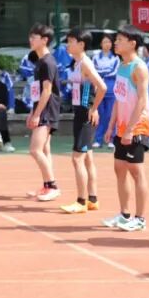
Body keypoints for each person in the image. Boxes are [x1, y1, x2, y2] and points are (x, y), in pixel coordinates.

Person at [102, 26, 149, 232]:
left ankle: (140, 218)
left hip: (137, 127)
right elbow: (118, 99)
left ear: (132, 43)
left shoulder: (139, 68)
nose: (116, 43)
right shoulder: (122, 66)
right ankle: (124, 214)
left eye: (120, 40)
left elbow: (142, 100)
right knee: (119, 169)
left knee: (136, 172)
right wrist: (110, 126)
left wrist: (131, 129)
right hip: (121, 128)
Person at [60, 28, 107, 214]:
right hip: (81, 112)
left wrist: (93, 109)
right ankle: (92, 199)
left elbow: (102, 87)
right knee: (87, 158)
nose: (67, 45)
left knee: (77, 158)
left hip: (85, 114)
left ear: (81, 44)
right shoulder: (78, 63)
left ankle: (81, 201)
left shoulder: (85, 63)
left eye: (71, 41)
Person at [26, 23, 61, 201]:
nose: (30, 40)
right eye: (30, 37)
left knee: (35, 150)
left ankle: (52, 186)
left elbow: (47, 91)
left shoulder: (47, 62)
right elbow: (37, 91)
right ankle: (47, 185)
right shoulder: (41, 62)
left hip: (47, 110)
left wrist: (37, 114)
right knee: (45, 149)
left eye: (34, 37)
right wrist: (32, 111)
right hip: (42, 108)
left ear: (44, 40)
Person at [92, 34, 120, 148]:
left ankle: (111, 140)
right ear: (101, 44)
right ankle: (98, 140)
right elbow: (93, 71)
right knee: (99, 115)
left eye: (109, 42)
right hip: (99, 89)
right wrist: (102, 74)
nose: (107, 44)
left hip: (111, 89)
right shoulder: (95, 57)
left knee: (110, 115)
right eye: (105, 42)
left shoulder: (116, 58)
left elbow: (114, 72)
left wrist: (102, 74)